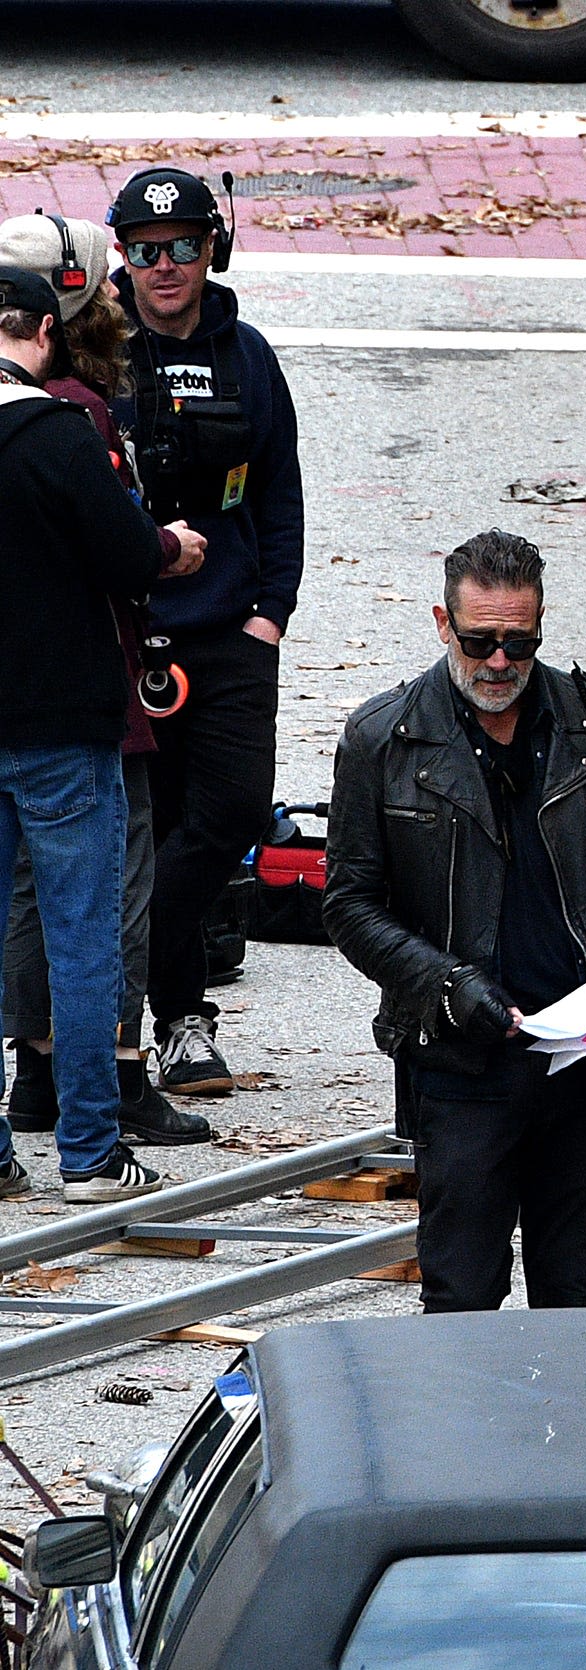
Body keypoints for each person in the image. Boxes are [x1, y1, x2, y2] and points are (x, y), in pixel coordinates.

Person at [321, 532, 586, 1313]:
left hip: (582, 1059)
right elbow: (348, 904)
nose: (500, 663)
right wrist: (448, 988)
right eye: (480, 641)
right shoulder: (384, 739)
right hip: (463, 1065)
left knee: (577, 1297)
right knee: (463, 1300)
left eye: (520, 642)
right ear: (442, 624)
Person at [0, 263, 206, 1203]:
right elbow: (128, 555)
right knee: (82, 937)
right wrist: (172, 544)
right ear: (45, 335)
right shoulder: (55, 433)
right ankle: (88, 1149)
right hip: (63, 724)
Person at [108, 167, 305, 1101]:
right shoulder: (98, 356)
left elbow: (281, 492)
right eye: (147, 252)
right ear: (124, 259)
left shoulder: (248, 354)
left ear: (211, 249)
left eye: (184, 245)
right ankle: (182, 1023)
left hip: (231, 632)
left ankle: (127, 958)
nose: (166, 267)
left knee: (226, 819)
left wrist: (270, 614)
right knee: (154, 830)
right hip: (134, 633)